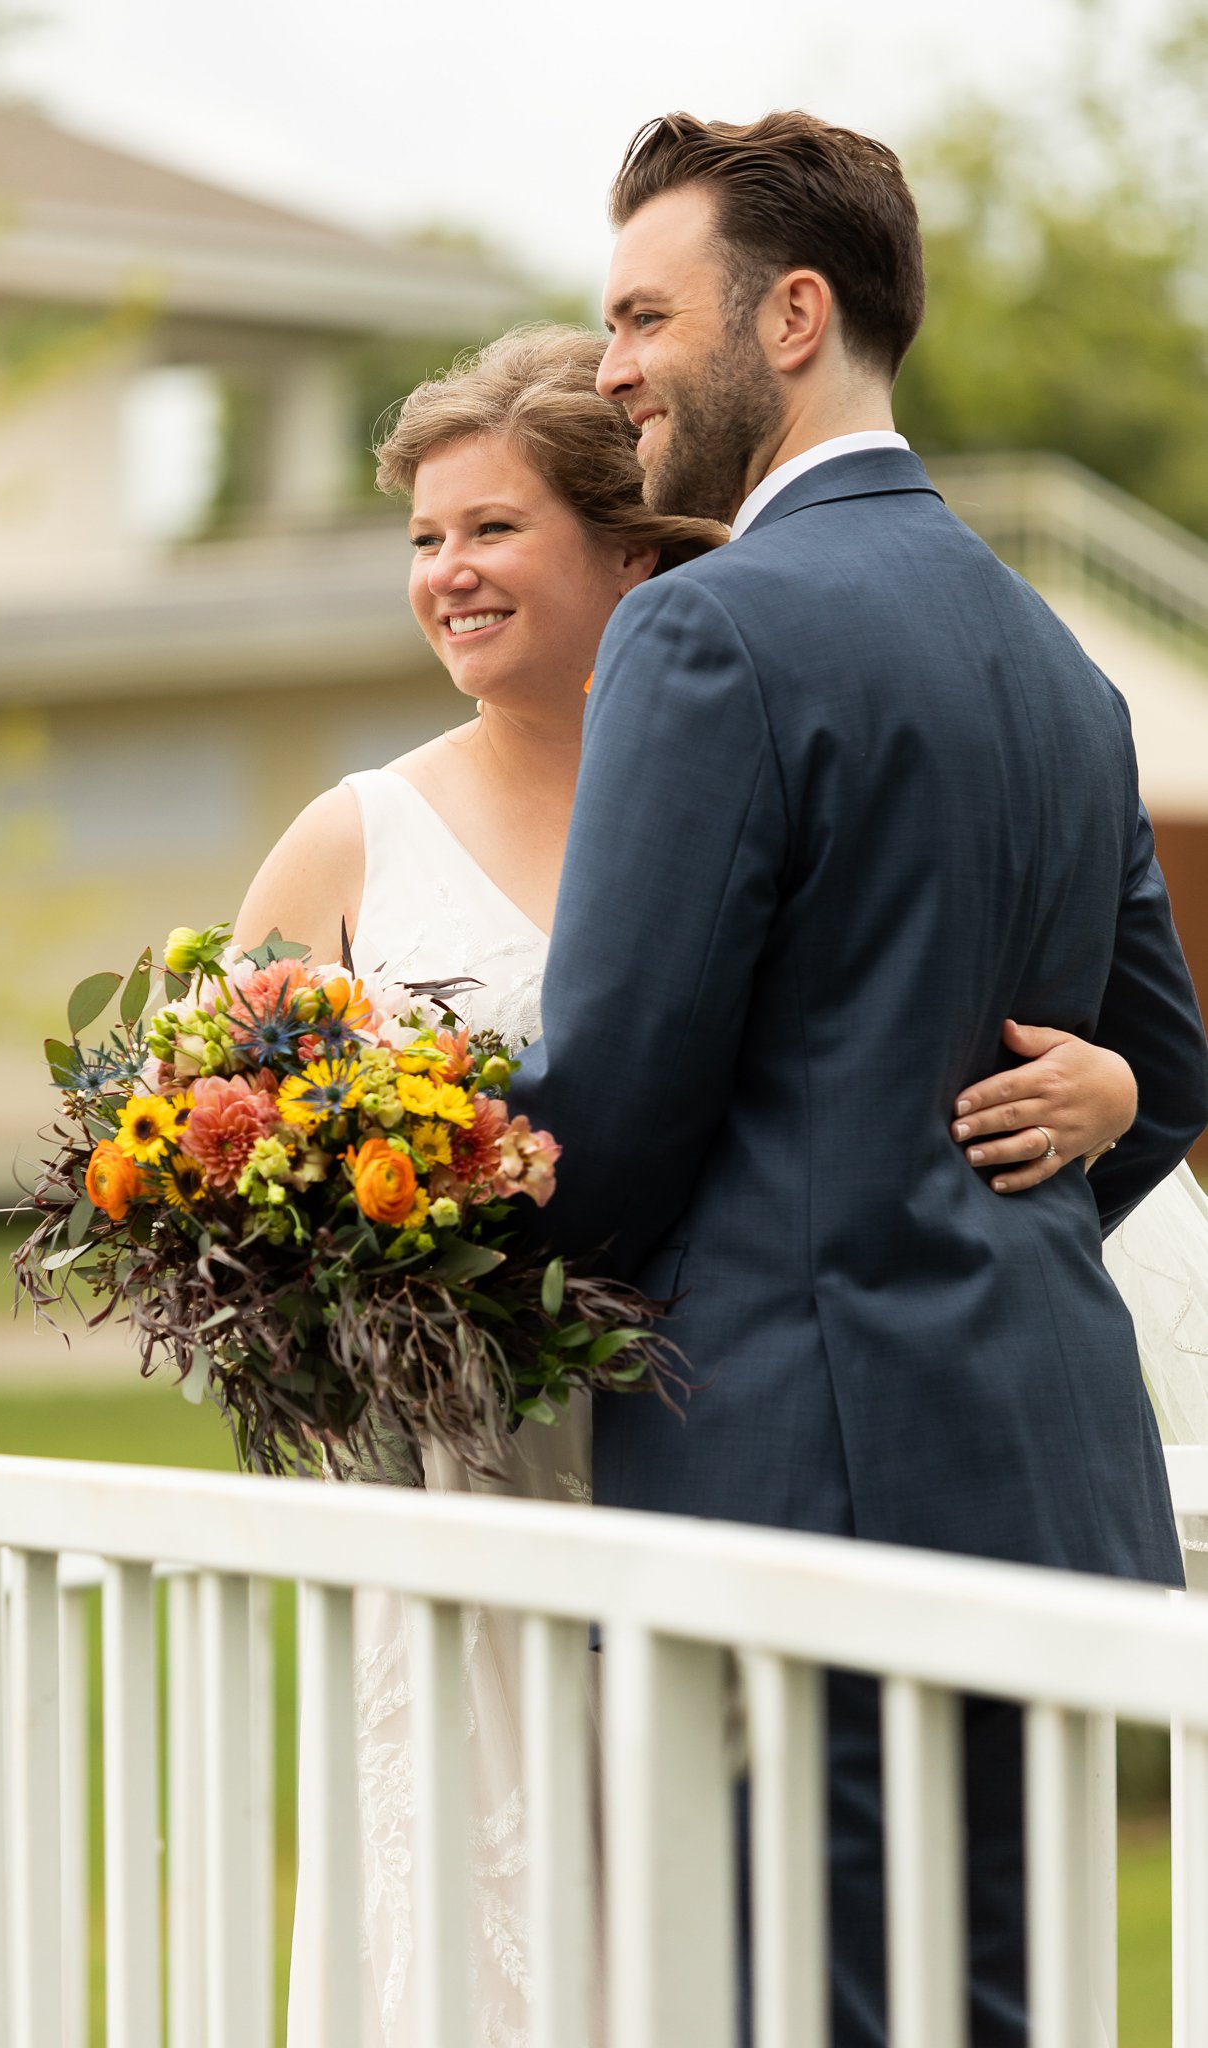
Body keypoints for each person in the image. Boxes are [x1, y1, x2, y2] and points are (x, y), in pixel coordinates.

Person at [237, 323, 1167, 2046]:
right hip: (482, 1483)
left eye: (493, 529)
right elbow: (233, 1173)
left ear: (631, 546)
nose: (448, 573)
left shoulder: (762, 761)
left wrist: (1103, 1089)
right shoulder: (347, 839)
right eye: (425, 538)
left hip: (756, 1448)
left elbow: (885, 1073)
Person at [505, 115, 1208, 2047]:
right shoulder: (1056, 661)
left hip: (803, 1506)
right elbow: (1166, 1066)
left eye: (645, 315)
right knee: (999, 2003)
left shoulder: (705, 625)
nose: (613, 365)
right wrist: (1084, 1133)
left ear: (791, 316)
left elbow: (617, 1099)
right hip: (1049, 1488)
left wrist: (393, 1275)